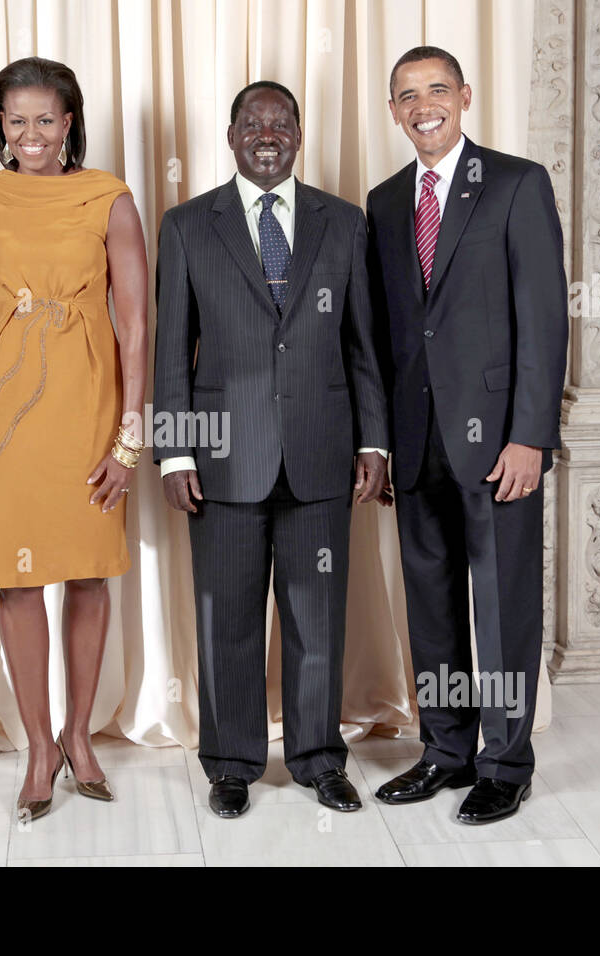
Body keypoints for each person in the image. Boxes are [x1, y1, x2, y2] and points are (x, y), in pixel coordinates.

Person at [153, 81, 389, 819]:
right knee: (226, 616)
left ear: (298, 135)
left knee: (317, 614)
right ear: (230, 137)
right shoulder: (189, 224)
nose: (268, 133)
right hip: (221, 457)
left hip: (322, 452)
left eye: (281, 122)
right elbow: (171, 350)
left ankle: (320, 759)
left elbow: (363, 345)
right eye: (253, 122)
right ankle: (230, 763)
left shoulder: (343, 223)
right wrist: (175, 453)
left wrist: (374, 439)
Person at [366, 47, 568, 824]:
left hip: (500, 447)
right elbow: (386, 337)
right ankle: (446, 750)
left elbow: (544, 322)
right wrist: (379, 444)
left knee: (504, 605)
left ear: (465, 97)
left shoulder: (517, 185)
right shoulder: (385, 203)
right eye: (408, 96)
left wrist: (530, 437)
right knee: (434, 610)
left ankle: (505, 762)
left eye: (437, 90)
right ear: (393, 112)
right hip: (417, 445)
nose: (424, 105)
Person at [0, 57, 149, 821]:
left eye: (45, 118)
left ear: (68, 122)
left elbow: (137, 323)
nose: (30, 133)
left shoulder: (109, 196)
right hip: (7, 414)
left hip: (91, 406)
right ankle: (39, 744)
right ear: (0, 126)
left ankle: (79, 732)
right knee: (17, 577)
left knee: (89, 573)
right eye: (16, 120)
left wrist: (130, 437)